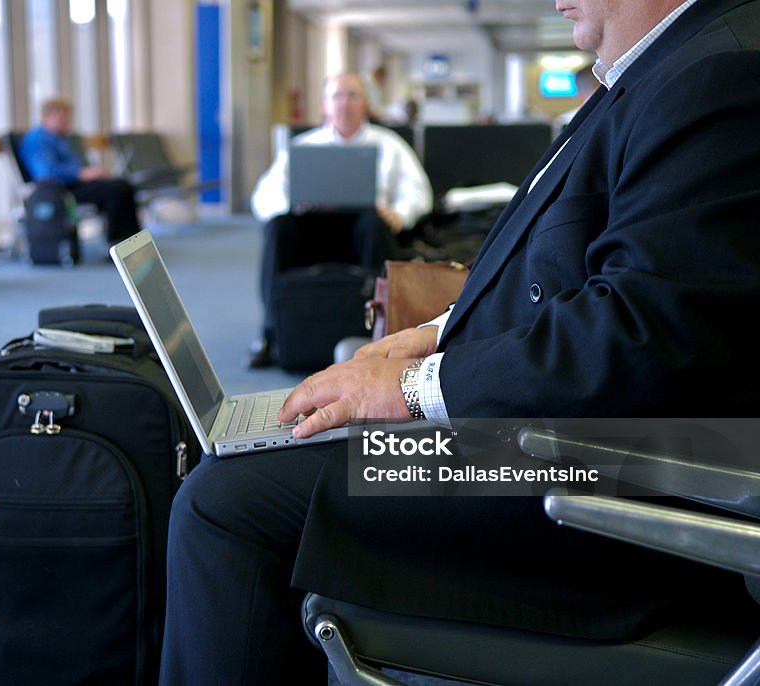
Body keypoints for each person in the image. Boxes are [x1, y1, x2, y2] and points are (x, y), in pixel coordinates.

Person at [160, 0, 760, 683]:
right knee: (288, 448)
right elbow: (571, 272)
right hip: (552, 445)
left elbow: (637, 336)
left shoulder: (720, 75)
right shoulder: (663, 70)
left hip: (593, 475)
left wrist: (412, 391)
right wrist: (431, 336)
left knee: (228, 499)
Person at [248, 72, 433, 367]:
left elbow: (419, 193)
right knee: (278, 227)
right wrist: (291, 206)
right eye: (337, 95)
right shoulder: (304, 146)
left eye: (352, 95)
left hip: (364, 233)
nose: (344, 103)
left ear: (365, 104)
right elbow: (262, 196)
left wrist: (399, 213)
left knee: (374, 222)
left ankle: (382, 330)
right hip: (313, 230)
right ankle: (271, 334)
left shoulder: (390, 145)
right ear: (325, 104)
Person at [18, 98, 140, 245]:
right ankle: (118, 242)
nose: (67, 124)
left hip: (76, 184)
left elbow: (76, 165)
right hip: (60, 190)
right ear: (49, 116)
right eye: (63, 120)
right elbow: (46, 172)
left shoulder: (60, 139)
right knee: (115, 191)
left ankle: (133, 241)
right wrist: (80, 174)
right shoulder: (37, 140)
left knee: (123, 185)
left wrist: (92, 173)